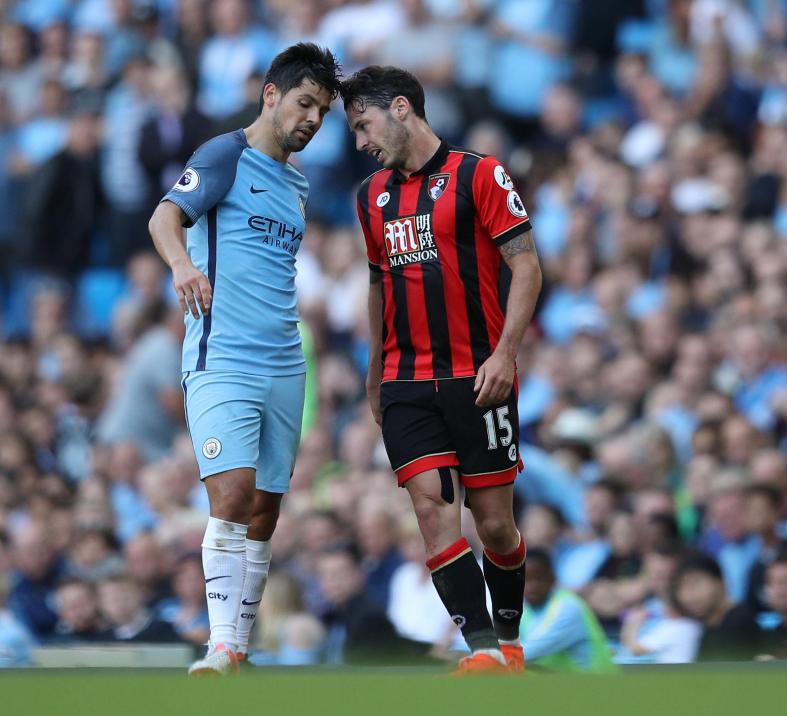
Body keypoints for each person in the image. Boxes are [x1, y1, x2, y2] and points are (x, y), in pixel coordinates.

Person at [147, 42, 341, 676]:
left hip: (284, 362)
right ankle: (221, 647)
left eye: (322, 110)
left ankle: (239, 645)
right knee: (230, 494)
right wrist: (182, 267)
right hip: (222, 356)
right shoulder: (225, 154)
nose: (312, 119)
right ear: (271, 95)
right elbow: (164, 218)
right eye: (305, 103)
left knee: (265, 509)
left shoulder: (299, 183)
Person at [342, 65, 543, 674]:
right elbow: (380, 286)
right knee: (432, 512)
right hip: (406, 382)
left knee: (496, 527)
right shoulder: (370, 196)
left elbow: (526, 265)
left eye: (364, 124)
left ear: (401, 108)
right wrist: (375, 374)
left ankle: (509, 639)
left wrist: (506, 353)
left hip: (477, 377)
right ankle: (481, 651)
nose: (360, 143)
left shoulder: (480, 174)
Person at [518, 548, 618, 673]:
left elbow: (524, 654)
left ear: (552, 578)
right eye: (525, 579)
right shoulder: (525, 610)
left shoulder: (568, 608)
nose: (532, 586)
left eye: (539, 578)